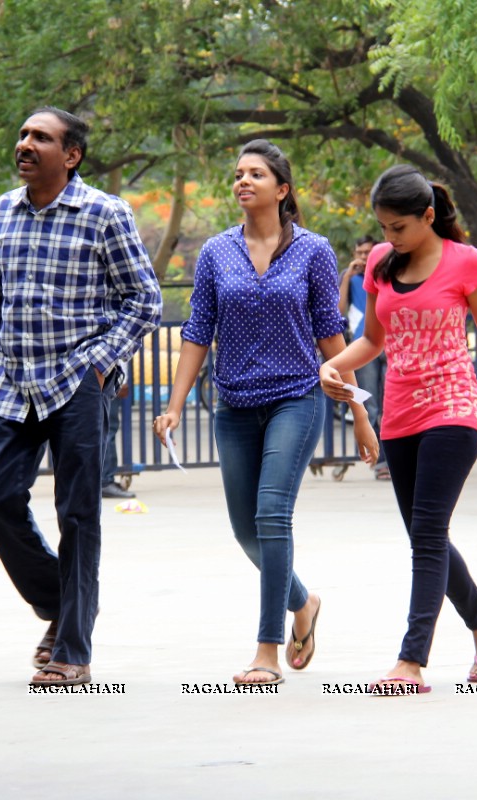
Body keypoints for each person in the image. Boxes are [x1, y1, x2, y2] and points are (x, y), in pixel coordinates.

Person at [319, 165, 477, 694]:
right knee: (427, 536)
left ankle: (411, 662)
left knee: (426, 535)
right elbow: (372, 340)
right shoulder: (380, 262)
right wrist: (332, 368)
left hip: (453, 407)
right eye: (382, 227)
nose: (388, 238)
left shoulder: (466, 262)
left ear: (428, 216)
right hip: (399, 413)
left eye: (398, 227)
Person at [153, 140, 377, 687]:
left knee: (273, 515)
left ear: (282, 189)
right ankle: (304, 603)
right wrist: (175, 403)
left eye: (256, 173)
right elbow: (197, 332)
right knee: (244, 531)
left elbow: (332, 333)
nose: (243, 181)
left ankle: (266, 650)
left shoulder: (314, 251)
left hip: (296, 398)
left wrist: (360, 413)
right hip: (233, 403)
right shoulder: (215, 253)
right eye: (238, 174)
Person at [0, 106, 162, 686]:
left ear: (70, 156)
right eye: (22, 134)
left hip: (78, 382)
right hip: (13, 384)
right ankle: (61, 604)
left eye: (40, 138)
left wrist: (99, 364)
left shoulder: (104, 213)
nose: (24, 144)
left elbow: (144, 301)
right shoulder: (3, 212)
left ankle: (73, 649)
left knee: (78, 514)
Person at [339, 235, 390, 479]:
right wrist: (348, 277)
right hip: (364, 348)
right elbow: (337, 312)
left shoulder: (387, 272)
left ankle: (390, 459)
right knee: (370, 404)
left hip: (390, 345)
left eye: (368, 252)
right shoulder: (349, 278)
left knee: (391, 403)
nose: (363, 257)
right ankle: (381, 462)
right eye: (359, 253)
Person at [101, 382, 135, 499]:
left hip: (107, 380)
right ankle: (105, 481)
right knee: (107, 429)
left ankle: (104, 479)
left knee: (106, 429)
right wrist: (119, 382)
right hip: (107, 380)